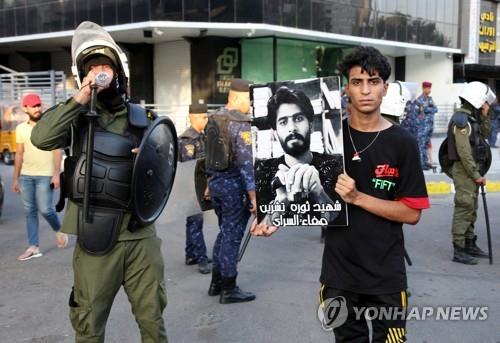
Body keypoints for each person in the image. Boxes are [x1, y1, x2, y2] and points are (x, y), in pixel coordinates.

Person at [252, 46, 430, 342]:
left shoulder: (403, 143)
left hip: (386, 277)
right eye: (357, 82)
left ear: (385, 88)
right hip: (338, 276)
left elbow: (412, 213)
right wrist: (274, 218)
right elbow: (305, 197)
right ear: (346, 88)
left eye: (374, 82)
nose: (366, 91)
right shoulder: (325, 145)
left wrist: (358, 197)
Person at [31, 22, 169, 342]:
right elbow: (41, 137)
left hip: (139, 236)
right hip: (95, 238)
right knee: (89, 324)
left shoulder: (142, 118)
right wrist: (80, 98)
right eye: (93, 69)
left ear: (119, 71)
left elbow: (166, 168)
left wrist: (148, 157)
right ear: (84, 76)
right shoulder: (76, 119)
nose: (100, 73)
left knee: (152, 319)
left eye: (106, 66)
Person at [254, 86, 343, 227]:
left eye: (298, 118)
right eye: (283, 122)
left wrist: (319, 193)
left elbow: (340, 223)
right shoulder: (262, 170)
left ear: (311, 125)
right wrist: (281, 201)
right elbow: (263, 228)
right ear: (275, 132)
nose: (292, 128)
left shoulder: (335, 164)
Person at [205, 78, 257, 304]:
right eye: (249, 98)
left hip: (216, 184)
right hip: (234, 187)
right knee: (232, 236)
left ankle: (216, 282)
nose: (250, 104)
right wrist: (254, 197)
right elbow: (246, 163)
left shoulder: (214, 117)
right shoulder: (240, 122)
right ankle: (229, 287)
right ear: (237, 97)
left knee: (224, 232)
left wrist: (208, 182)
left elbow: (206, 154)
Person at [13, 93, 67, 261]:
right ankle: (33, 247)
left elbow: (57, 150)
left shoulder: (48, 125)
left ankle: (59, 229)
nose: (37, 109)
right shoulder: (20, 129)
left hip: (45, 175)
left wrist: (56, 174)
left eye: (38, 105)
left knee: (46, 209)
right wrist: (16, 178)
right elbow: (19, 154)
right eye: (33, 106)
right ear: (25, 108)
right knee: (30, 211)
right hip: (26, 176)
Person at [445, 81, 494, 265]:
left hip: (474, 169)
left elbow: (487, 135)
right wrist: (476, 175)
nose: (486, 104)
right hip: (465, 170)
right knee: (464, 206)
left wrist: (485, 116)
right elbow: (464, 153)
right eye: (484, 102)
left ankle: (469, 243)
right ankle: (459, 249)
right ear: (477, 99)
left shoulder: (474, 118)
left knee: (472, 208)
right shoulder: (461, 120)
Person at [178, 103, 211, 274]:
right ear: (193, 118)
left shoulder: (203, 137)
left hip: (200, 186)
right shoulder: (187, 140)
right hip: (191, 188)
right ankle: (202, 258)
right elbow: (189, 168)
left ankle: (190, 254)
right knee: (195, 222)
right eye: (204, 117)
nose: (207, 119)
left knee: (192, 221)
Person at [415, 81, 438, 170]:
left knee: (426, 144)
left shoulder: (430, 99)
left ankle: (425, 162)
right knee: (421, 144)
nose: (429, 90)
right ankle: (421, 163)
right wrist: (430, 108)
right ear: (423, 88)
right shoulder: (419, 100)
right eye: (428, 88)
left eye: (430, 88)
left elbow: (436, 109)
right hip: (422, 126)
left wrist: (428, 109)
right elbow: (419, 111)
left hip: (430, 126)